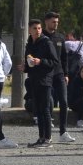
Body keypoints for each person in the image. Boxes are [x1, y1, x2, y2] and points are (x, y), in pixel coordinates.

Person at [24, 19, 58, 148]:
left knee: (45, 109)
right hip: (33, 79)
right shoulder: (30, 43)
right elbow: (29, 61)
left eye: (39, 28)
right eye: (34, 28)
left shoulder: (46, 42)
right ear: (29, 30)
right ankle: (41, 137)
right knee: (37, 110)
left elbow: (54, 62)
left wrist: (41, 61)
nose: (37, 30)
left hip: (45, 79)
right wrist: (25, 67)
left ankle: (48, 139)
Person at [42, 11, 75, 143]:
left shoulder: (60, 37)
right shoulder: (41, 37)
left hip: (59, 73)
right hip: (45, 74)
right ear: (46, 22)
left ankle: (63, 132)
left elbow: (64, 58)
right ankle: (46, 131)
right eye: (53, 21)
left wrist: (66, 73)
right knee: (48, 102)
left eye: (57, 22)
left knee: (64, 102)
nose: (55, 24)